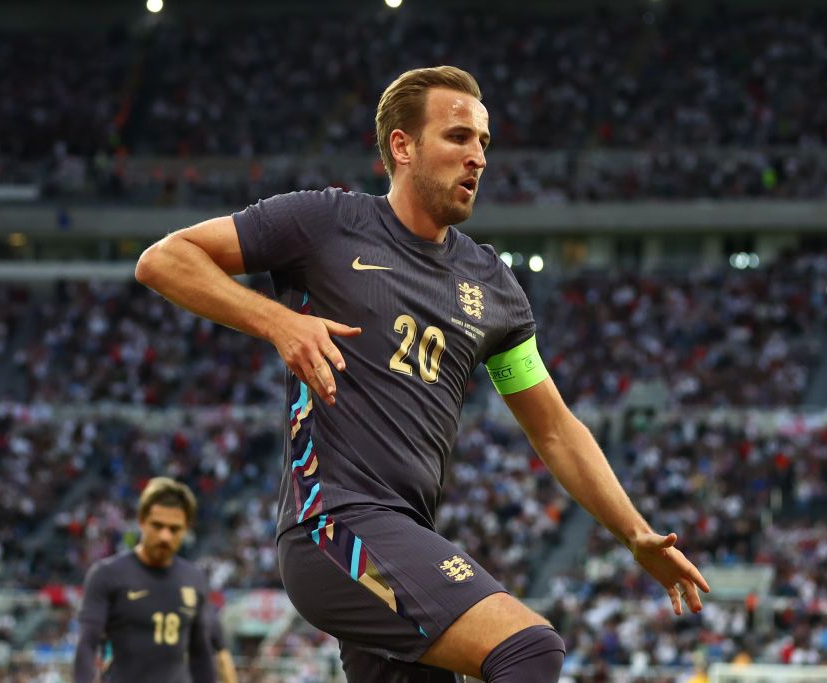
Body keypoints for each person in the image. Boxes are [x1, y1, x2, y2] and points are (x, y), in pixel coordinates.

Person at [135, 65, 710, 682]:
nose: (478, 158)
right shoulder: (326, 223)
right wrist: (278, 321)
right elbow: (164, 259)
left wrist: (635, 533)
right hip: (335, 527)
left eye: (484, 142)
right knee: (528, 647)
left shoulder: (493, 285)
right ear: (402, 146)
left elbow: (554, 429)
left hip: (403, 532)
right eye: (459, 137)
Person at [73, 477, 215, 683]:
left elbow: (201, 653)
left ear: (186, 528)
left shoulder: (194, 578)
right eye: (157, 526)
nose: (165, 536)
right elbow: (87, 644)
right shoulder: (107, 575)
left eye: (174, 529)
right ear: (141, 521)